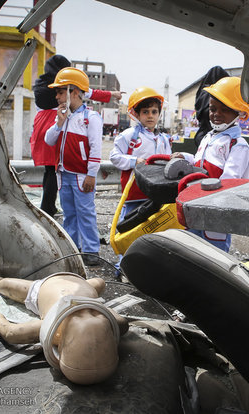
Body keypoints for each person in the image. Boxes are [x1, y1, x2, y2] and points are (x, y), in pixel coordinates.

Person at [0, 271, 129, 385]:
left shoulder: (107, 320)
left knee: (100, 282)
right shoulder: (56, 330)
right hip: (56, 286)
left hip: (70, 286)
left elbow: (11, 333)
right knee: (3, 285)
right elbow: (11, 333)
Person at [30, 55, 122, 217]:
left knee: (50, 170)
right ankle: (49, 207)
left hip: (43, 129)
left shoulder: (40, 87)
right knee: (54, 169)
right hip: (57, 124)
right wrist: (112, 94)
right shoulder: (64, 89)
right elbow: (89, 93)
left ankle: (48, 207)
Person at [171, 76, 249, 252]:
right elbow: (197, 161)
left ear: (239, 112)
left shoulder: (238, 145)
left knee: (214, 253)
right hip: (197, 203)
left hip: (218, 211)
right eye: (213, 108)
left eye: (224, 110)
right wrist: (184, 157)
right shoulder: (209, 137)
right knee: (191, 249)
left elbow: (230, 181)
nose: (216, 114)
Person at [44, 67, 104, 266]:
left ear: (75, 92)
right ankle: (72, 247)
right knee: (69, 213)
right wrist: (59, 123)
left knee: (85, 213)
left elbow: (96, 148)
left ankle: (91, 250)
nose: (57, 96)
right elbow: (49, 140)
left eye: (61, 92)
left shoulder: (91, 118)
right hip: (64, 174)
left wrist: (91, 174)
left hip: (81, 176)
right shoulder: (62, 116)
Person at [110, 87, 172, 216]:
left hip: (156, 193)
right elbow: (114, 156)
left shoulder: (163, 139)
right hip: (134, 193)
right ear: (137, 114)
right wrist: (134, 161)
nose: (150, 116)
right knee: (129, 226)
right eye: (145, 112)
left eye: (154, 112)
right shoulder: (129, 135)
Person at [193, 66, 229, 148]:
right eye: (212, 109)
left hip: (201, 135)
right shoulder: (217, 94)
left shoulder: (202, 93)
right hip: (215, 137)